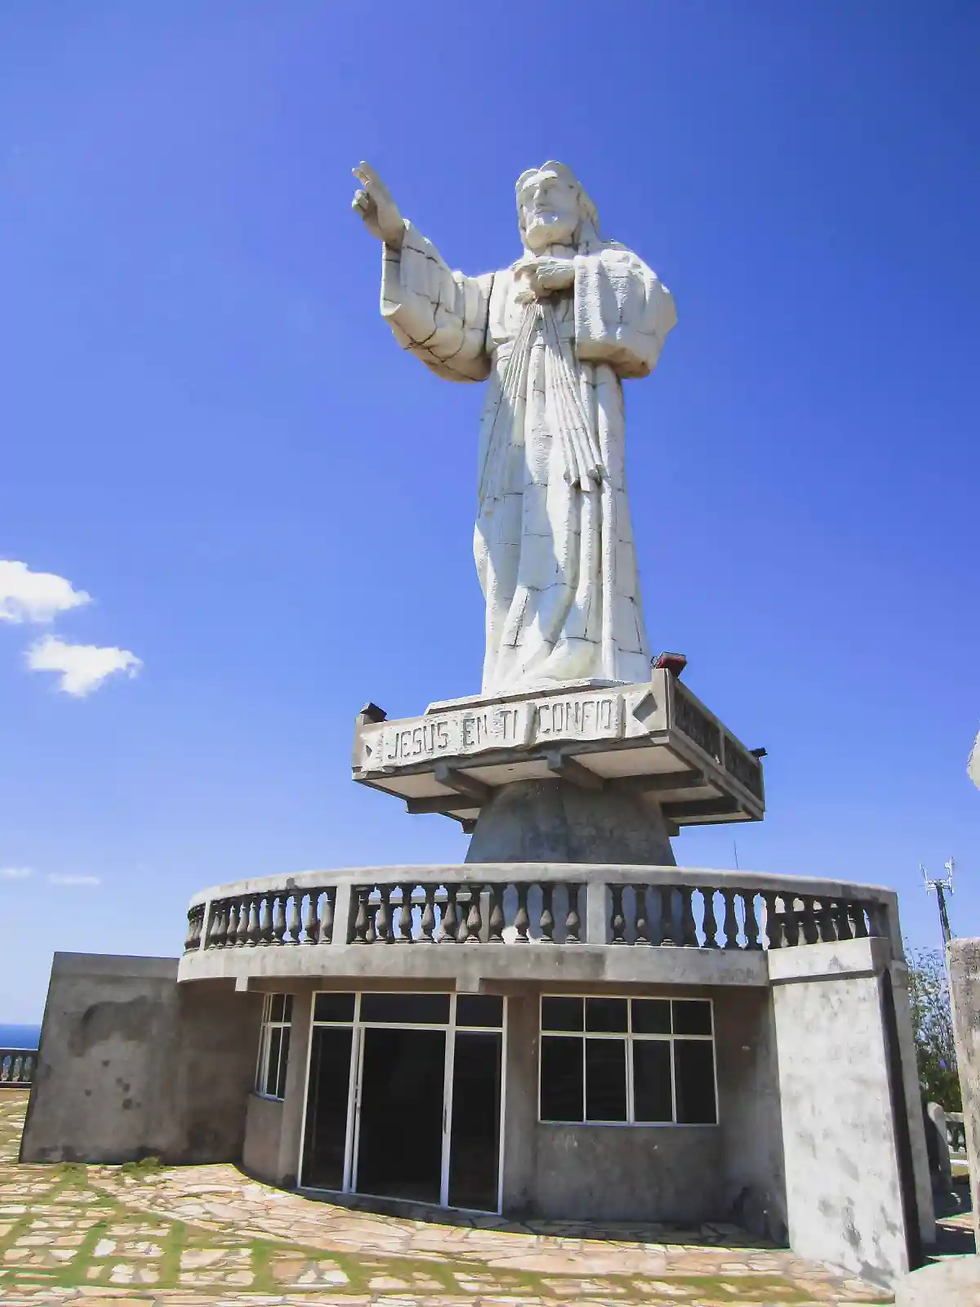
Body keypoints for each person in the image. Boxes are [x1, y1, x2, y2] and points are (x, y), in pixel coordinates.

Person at [352, 160, 677, 695]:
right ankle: (516, 668)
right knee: (501, 548)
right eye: (527, 197)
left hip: (578, 439)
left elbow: (654, 305)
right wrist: (395, 233)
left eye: (551, 190)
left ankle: (576, 657)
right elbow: (446, 311)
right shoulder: (503, 287)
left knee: (572, 531)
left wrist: (574, 278)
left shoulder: (608, 264)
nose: (538, 201)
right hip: (511, 444)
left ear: (580, 205)